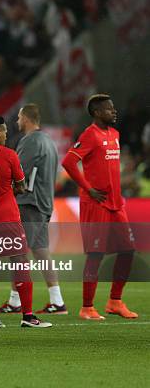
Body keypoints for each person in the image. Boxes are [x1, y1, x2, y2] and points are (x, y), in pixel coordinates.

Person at [0, 116, 51, 328]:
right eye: (4, 132)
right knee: (19, 263)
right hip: (6, 216)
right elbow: (21, 186)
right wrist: (11, 186)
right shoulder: (9, 155)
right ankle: (28, 316)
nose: (6, 136)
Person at [61, 94, 138, 320]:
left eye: (113, 108)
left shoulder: (114, 134)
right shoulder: (89, 135)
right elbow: (68, 162)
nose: (113, 112)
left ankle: (115, 301)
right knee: (95, 254)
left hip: (116, 204)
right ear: (96, 113)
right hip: (96, 203)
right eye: (108, 109)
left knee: (128, 251)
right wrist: (88, 188)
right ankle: (87, 307)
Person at [0, 104, 66, 314]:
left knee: (17, 251)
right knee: (40, 251)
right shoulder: (49, 142)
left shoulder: (30, 141)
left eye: (19, 117)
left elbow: (18, 173)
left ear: (26, 119)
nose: (17, 122)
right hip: (44, 202)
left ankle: (15, 301)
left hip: (29, 202)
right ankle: (57, 300)